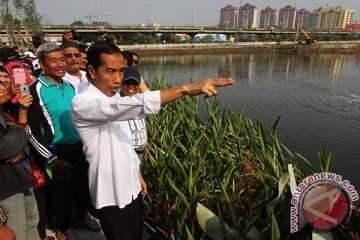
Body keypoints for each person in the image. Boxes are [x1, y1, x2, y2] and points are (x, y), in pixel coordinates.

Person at [71, 40, 234, 240]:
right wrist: (185, 89)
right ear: (92, 71)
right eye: (110, 71)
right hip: (111, 194)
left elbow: (124, 141)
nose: (117, 79)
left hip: (131, 186)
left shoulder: (114, 98)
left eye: (121, 71)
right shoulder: (84, 103)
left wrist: (136, 173)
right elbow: (131, 106)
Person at [27, 43, 100, 240]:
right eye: (54, 60)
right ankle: (63, 228)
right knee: (62, 193)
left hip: (79, 145)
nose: (60, 64)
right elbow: (31, 130)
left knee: (82, 186)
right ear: (42, 64)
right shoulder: (36, 90)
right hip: (56, 149)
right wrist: (51, 159)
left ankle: (81, 216)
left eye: (62, 59)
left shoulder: (69, 86)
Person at [0, 69, 41, 240]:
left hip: (20, 176)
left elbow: (19, 135)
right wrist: (19, 137)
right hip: (6, 187)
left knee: (31, 223)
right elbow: (4, 147)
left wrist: (22, 112)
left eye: (5, 78)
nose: (4, 83)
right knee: (16, 231)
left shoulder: (4, 110)